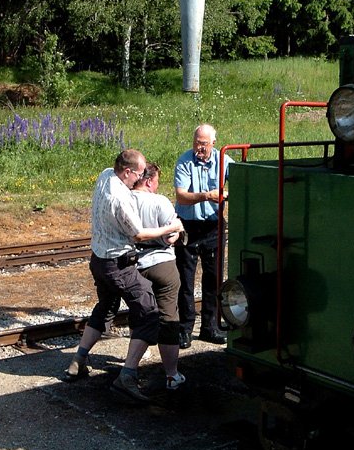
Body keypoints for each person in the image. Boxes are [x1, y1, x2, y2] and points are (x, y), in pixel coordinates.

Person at [64, 149, 183, 404]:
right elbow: (138, 235)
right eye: (138, 174)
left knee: (106, 306)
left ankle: (78, 360)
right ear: (127, 172)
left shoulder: (105, 174)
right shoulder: (121, 199)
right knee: (150, 313)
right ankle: (127, 376)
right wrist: (172, 227)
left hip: (98, 259)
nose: (140, 179)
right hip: (117, 264)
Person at [174, 124, 233, 347]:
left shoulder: (224, 161)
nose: (199, 147)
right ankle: (185, 329)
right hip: (188, 225)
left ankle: (210, 327)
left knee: (214, 279)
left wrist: (228, 194)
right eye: (196, 142)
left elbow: (240, 180)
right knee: (185, 280)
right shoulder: (184, 161)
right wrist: (207, 195)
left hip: (213, 227)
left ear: (213, 144)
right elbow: (181, 196)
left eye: (204, 143)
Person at [131, 163, 185, 391]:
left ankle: (133, 365)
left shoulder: (125, 199)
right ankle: (172, 374)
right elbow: (174, 233)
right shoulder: (159, 201)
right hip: (161, 264)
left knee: (139, 313)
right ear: (150, 181)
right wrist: (173, 235)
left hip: (134, 265)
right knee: (168, 318)